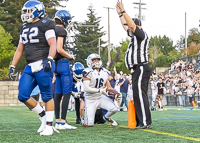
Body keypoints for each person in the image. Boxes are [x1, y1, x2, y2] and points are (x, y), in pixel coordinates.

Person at [8, 0, 57, 136]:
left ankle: (49, 125)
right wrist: (13, 65)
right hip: (29, 66)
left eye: (29, 11)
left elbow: (53, 44)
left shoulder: (46, 23)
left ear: (38, 11)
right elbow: (19, 49)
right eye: (26, 11)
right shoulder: (24, 27)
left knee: (47, 95)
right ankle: (42, 115)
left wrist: (50, 59)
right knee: (23, 95)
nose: (26, 14)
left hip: (42, 63)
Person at [116, 0, 152, 129]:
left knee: (140, 95)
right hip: (136, 69)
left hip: (141, 67)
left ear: (137, 26)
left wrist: (124, 11)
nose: (129, 29)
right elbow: (126, 25)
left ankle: (145, 122)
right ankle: (141, 120)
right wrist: (120, 15)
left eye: (131, 27)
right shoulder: (134, 37)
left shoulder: (141, 35)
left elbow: (131, 24)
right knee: (137, 94)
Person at [53, 10, 76, 130]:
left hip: (55, 64)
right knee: (66, 92)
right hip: (62, 63)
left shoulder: (51, 30)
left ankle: (57, 121)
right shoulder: (61, 30)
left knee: (58, 93)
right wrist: (70, 56)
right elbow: (59, 49)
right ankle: (63, 122)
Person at [82, 53, 119, 127]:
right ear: (90, 61)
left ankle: (106, 117)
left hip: (100, 97)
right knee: (89, 124)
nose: (97, 61)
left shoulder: (105, 72)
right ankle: (84, 120)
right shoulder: (88, 71)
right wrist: (100, 90)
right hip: (90, 99)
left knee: (114, 109)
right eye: (94, 60)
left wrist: (116, 93)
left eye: (98, 60)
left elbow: (108, 87)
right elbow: (86, 88)